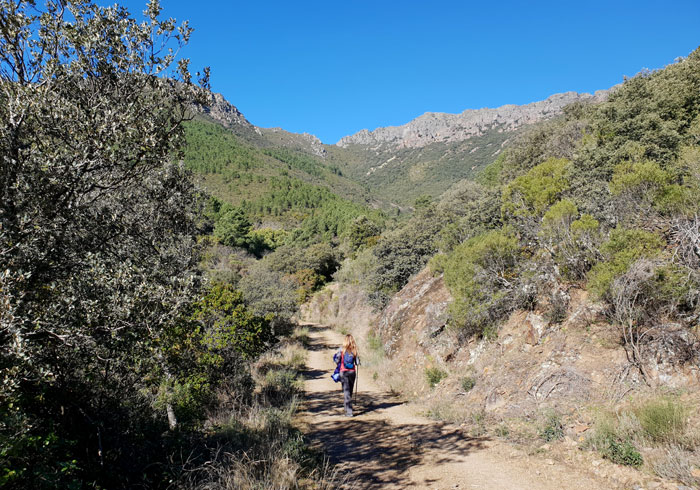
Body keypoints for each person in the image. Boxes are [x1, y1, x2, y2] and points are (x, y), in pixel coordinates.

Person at [333, 334, 359, 417]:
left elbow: (337, 360)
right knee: (349, 391)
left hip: (343, 372)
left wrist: (338, 363)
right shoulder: (354, 350)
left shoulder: (341, 350)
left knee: (346, 392)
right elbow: (357, 363)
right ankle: (347, 407)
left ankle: (349, 412)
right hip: (352, 372)